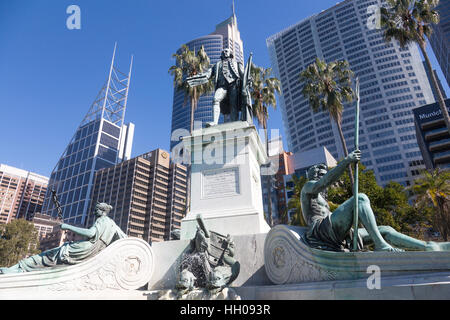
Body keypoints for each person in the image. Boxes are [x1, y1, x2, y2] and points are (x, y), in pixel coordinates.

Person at [301, 149, 450, 252]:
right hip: (320, 231)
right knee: (360, 198)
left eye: (322, 172)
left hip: (331, 230)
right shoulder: (307, 188)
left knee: (385, 229)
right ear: (310, 175)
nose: (320, 174)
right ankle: (380, 245)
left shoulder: (323, 198)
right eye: (317, 172)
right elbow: (322, 183)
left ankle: (428, 246)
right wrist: (346, 161)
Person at [0, 202, 126, 274]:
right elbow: (124, 238)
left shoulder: (101, 220)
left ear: (102, 211)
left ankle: (18, 269)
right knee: (50, 256)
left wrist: (67, 226)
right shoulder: (112, 224)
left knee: (48, 255)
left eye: (96, 210)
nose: (94, 212)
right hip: (94, 251)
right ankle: (17, 268)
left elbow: (90, 233)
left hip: (85, 248)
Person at [186, 48, 252, 126]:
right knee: (215, 99)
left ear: (230, 53)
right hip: (222, 86)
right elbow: (207, 74)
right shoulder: (217, 65)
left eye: (226, 51)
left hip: (234, 85)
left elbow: (243, 75)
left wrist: (248, 80)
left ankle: (234, 123)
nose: (225, 52)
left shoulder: (237, 63)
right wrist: (195, 79)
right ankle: (214, 122)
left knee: (233, 105)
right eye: (223, 52)